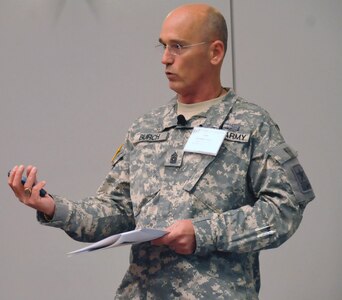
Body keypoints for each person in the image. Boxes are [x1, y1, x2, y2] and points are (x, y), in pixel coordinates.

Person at [8, 3, 315, 299]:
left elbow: (283, 211)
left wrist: (202, 232)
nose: (165, 59)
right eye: (163, 46)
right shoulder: (146, 128)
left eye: (178, 47)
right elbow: (116, 212)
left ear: (215, 52)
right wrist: (51, 207)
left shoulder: (251, 124)